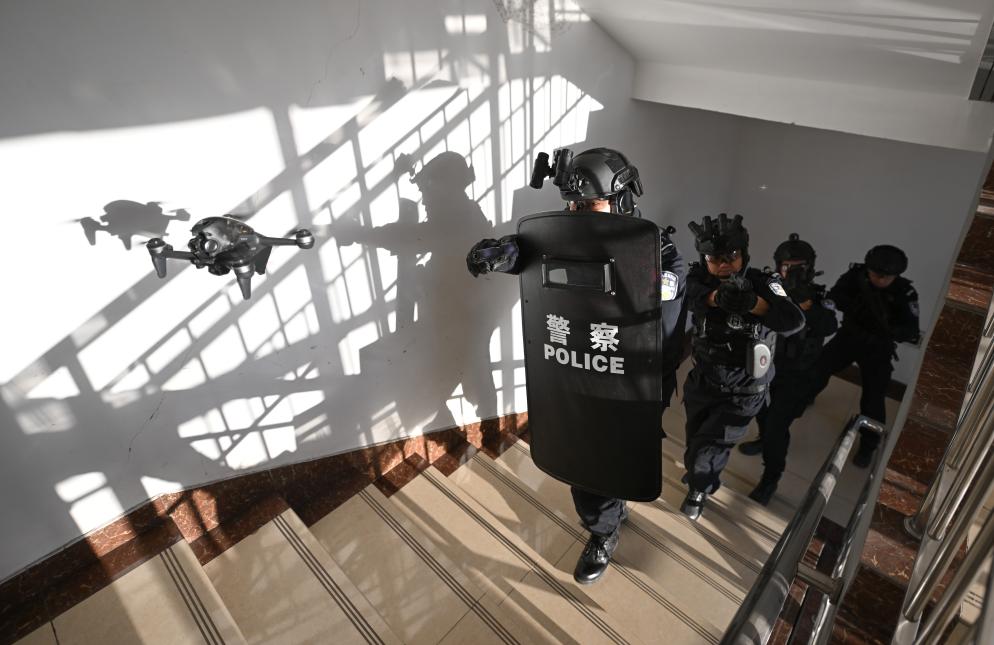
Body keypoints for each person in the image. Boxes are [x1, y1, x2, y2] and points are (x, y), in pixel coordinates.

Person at [466, 147, 687, 585]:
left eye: (589, 206)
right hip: (578, 373)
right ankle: (603, 530)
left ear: (621, 200)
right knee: (588, 461)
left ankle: (616, 504)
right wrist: (500, 253)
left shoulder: (659, 253)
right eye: (573, 206)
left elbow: (662, 296)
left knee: (626, 454)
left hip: (632, 385)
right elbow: (527, 252)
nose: (577, 215)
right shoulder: (564, 241)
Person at [681, 214, 804, 520]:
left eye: (731, 257)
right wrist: (714, 298)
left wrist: (755, 304)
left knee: (711, 447)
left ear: (744, 255)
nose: (724, 265)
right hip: (703, 380)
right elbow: (688, 296)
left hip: (744, 389)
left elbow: (794, 321)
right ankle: (699, 473)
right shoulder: (699, 279)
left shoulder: (765, 283)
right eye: (715, 259)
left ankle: (699, 488)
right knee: (695, 437)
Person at [737, 234, 838, 505]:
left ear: (810, 267)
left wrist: (807, 306)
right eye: (786, 266)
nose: (791, 272)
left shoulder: (818, 297)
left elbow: (829, 326)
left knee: (776, 428)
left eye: (798, 267)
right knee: (761, 413)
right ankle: (762, 438)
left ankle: (771, 478)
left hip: (797, 375)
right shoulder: (770, 289)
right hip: (766, 367)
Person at [806, 245, 919, 467]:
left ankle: (868, 445)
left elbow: (910, 331)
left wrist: (891, 328)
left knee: (873, 398)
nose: (879, 279)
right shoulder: (856, 276)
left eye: (886, 277)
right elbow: (835, 296)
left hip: (878, 348)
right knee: (817, 370)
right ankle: (804, 399)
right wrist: (852, 305)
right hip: (849, 337)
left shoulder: (904, 293)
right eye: (875, 274)